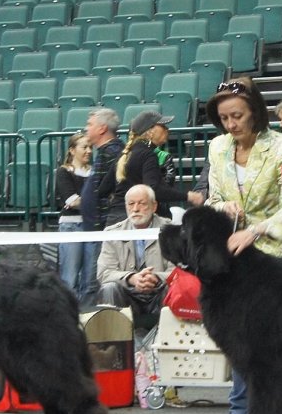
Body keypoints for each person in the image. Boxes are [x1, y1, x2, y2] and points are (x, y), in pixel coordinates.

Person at [202, 77, 282, 414]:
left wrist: (258, 229)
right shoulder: (217, 148)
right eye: (225, 118)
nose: (231, 124)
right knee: (242, 346)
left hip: (279, 262)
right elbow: (213, 196)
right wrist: (221, 206)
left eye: (238, 116)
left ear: (256, 113)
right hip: (239, 265)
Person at [99, 111, 204, 224]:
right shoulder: (148, 155)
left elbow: (103, 190)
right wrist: (188, 196)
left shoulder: (124, 155)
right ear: (150, 132)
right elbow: (154, 190)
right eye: (163, 126)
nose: (167, 129)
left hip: (116, 221)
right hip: (137, 222)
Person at [96, 184, 174, 318]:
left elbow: (179, 271)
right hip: (127, 293)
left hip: (159, 290)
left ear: (154, 206)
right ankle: (114, 338)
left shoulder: (171, 230)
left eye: (142, 203)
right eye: (131, 204)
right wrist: (131, 278)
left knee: (175, 287)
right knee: (109, 288)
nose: (135, 209)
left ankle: (169, 337)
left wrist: (155, 277)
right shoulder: (112, 233)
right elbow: (104, 273)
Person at [55, 132, 96, 308]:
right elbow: (71, 201)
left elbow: (82, 201)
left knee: (90, 281)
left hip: (93, 228)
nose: (88, 151)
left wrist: (85, 201)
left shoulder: (95, 172)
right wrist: (96, 201)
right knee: (69, 278)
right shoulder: (63, 171)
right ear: (72, 150)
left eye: (90, 147)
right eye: (84, 147)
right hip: (71, 226)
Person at [80, 107, 124, 231]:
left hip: (105, 228)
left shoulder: (112, 152)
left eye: (89, 124)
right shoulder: (106, 152)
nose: (86, 128)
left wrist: (103, 224)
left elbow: (112, 192)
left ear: (102, 128)